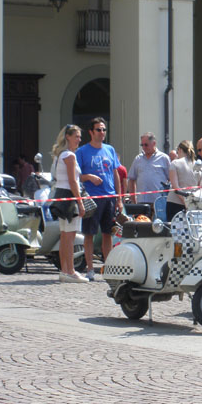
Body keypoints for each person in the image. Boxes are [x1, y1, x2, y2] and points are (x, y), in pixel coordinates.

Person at [76, 117, 122, 282]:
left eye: (104, 129)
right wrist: (89, 177)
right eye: (99, 130)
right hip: (92, 198)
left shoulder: (109, 149)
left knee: (107, 234)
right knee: (89, 234)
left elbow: (115, 174)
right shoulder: (82, 152)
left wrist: (119, 197)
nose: (102, 133)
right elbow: (76, 176)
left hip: (109, 196)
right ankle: (89, 269)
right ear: (91, 132)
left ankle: (108, 267)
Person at [50, 125, 88, 283]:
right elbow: (73, 182)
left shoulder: (60, 155)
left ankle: (65, 270)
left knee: (65, 235)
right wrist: (80, 203)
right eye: (77, 136)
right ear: (68, 137)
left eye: (79, 136)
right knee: (70, 236)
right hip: (69, 197)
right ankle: (70, 271)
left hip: (61, 196)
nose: (79, 139)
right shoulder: (70, 156)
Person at [128, 132, 171, 204]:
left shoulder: (164, 158)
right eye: (142, 145)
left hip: (158, 202)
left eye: (146, 145)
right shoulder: (138, 159)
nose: (144, 147)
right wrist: (133, 200)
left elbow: (171, 180)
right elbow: (131, 180)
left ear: (154, 143)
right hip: (141, 202)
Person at [166, 140, 202, 221]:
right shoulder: (200, 166)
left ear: (179, 150)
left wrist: (185, 201)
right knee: (192, 231)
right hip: (194, 205)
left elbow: (175, 187)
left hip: (175, 203)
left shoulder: (175, 163)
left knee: (175, 231)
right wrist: (191, 203)